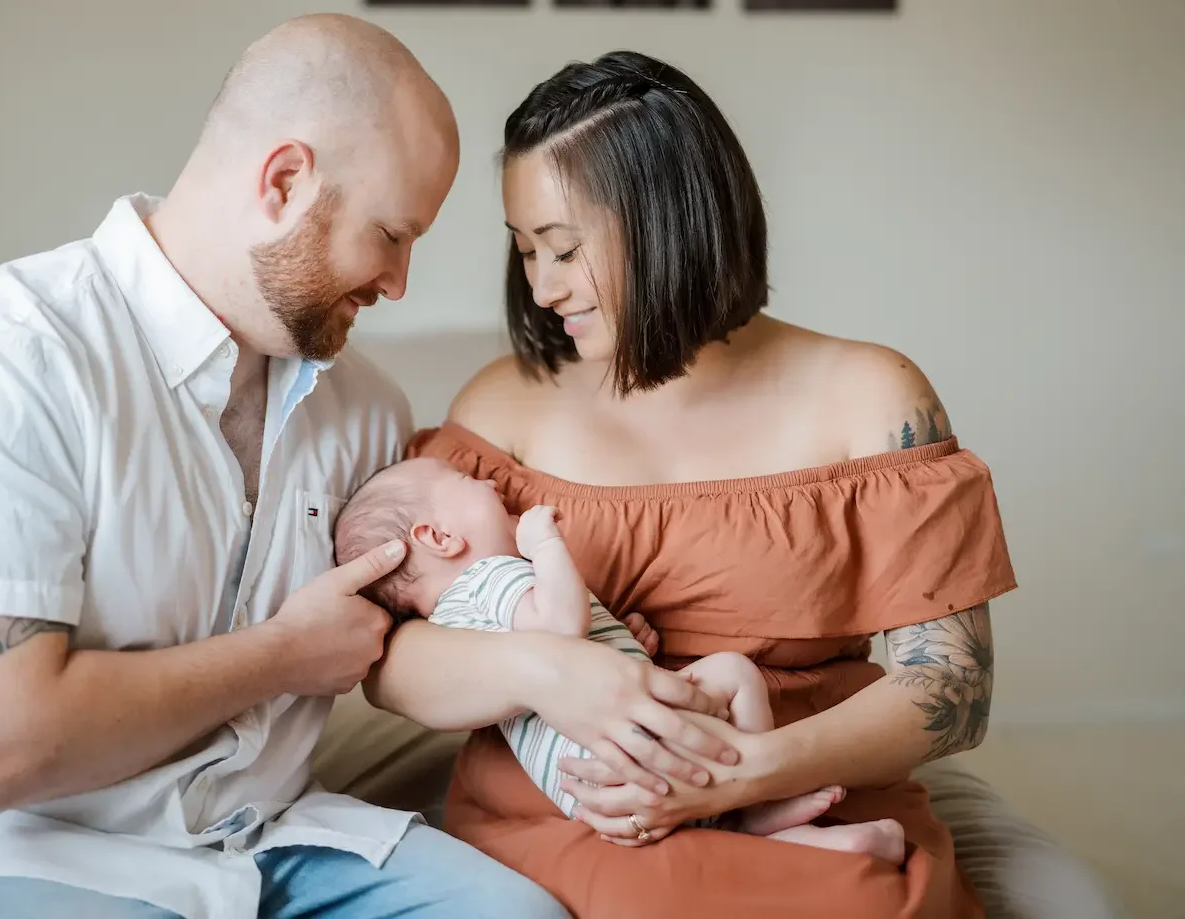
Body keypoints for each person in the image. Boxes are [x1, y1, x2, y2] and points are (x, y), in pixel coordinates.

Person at [0, 15, 570, 919]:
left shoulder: (366, 412)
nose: (399, 283)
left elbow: (429, 628)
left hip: (260, 842)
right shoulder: (2, 360)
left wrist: (576, 674)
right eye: (391, 236)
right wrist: (279, 657)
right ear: (285, 182)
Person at [363, 50, 1018, 918]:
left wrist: (737, 776)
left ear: (669, 222)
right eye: (526, 252)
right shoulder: (501, 406)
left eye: (564, 249)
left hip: (795, 795)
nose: (542, 287)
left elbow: (952, 692)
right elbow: (388, 658)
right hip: (577, 803)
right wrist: (544, 672)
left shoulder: (871, 397)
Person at [334, 457, 907, 861]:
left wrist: (618, 639)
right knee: (733, 671)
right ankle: (758, 802)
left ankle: (784, 836)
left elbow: (548, 657)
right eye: (466, 481)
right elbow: (560, 625)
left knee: (715, 810)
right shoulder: (495, 576)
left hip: (592, 788)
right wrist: (544, 546)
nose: (488, 483)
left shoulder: (455, 621)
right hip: (632, 750)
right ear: (437, 537)